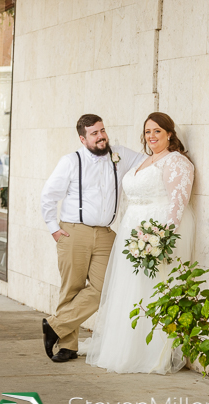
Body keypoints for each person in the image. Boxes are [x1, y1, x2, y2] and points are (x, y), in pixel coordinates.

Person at [83, 112, 195, 374]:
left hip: (155, 235)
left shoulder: (176, 162)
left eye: (157, 131)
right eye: (147, 132)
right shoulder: (146, 161)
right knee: (130, 290)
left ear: (169, 133)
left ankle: (151, 353)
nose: (152, 136)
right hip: (132, 235)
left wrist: (161, 240)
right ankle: (125, 347)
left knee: (152, 289)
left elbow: (178, 203)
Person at [40, 114, 146, 363]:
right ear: (82, 138)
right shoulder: (70, 161)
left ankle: (55, 325)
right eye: (94, 133)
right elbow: (48, 195)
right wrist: (53, 228)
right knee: (71, 289)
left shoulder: (119, 154)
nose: (101, 136)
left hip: (106, 234)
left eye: (102, 130)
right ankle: (68, 347)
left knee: (105, 288)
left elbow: (148, 162)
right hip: (74, 232)